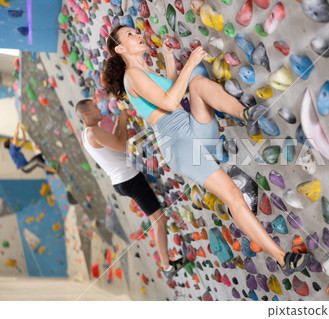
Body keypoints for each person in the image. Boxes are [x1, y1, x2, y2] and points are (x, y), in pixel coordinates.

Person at [102, 25, 312, 276]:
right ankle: (281, 259)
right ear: (120, 48)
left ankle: (247, 115)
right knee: (233, 194)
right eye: (130, 35)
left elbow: (170, 92)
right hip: (179, 146)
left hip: (191, 127)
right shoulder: (131, 76)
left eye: (137, 31)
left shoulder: (143, 70)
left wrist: (169, 59)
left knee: (199, 84)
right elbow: (170, 102)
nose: (138, 35)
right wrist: (189, 63)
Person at [75, 98, 186, 278]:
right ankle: (167, 267)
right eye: (95, 107)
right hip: (129, 180)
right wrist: (124, 116)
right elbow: (121, 146)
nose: (98, 108)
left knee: (157, 219)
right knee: (159, 220)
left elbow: (113, 142)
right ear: (86, 113)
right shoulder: (93, 133)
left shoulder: (88, 134)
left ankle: (166, 264)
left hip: (124, 180)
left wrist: (121, 120)